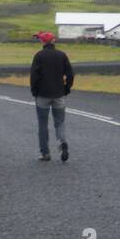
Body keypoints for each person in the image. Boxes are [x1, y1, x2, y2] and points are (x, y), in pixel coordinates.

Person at [29, 30, 75, 162]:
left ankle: (45, 153)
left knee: (43, 125)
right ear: (53, 41)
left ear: (42, 41)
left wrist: (34, 91)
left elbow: (34, 76)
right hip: (59, 94)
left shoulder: (39, 56)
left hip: (42, 95)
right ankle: (62, 142)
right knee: (59, 122)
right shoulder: (62, 55)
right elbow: (70, 74)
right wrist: (66, 88)